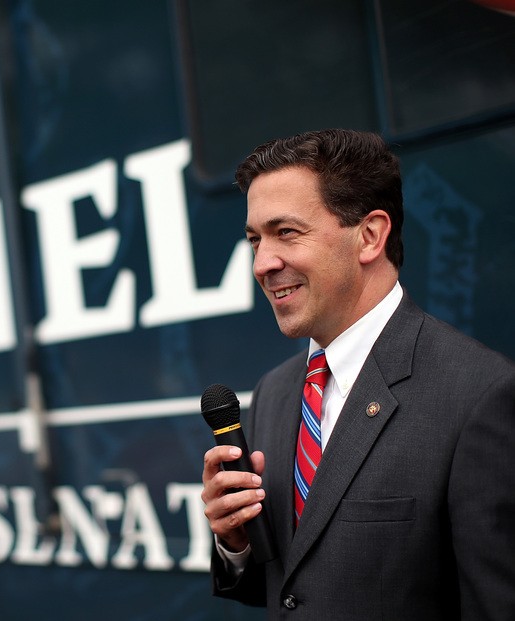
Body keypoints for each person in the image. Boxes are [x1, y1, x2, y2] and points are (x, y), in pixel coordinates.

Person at [201, 129, 515, 619]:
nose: (263, 263)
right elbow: (293, 587)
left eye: (286, 232)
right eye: (254, 239)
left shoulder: (480, 394)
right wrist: (234, 543)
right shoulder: (277, 392)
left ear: (370, 235)